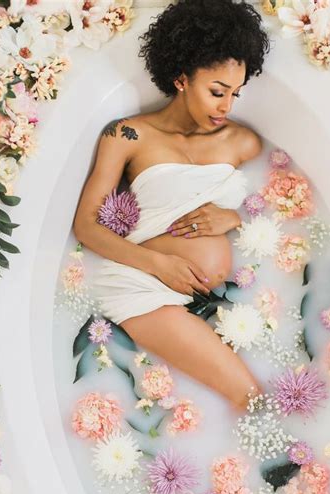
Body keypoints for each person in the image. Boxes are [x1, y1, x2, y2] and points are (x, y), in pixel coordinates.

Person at [72, 0, 272, 412]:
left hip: (213, 292)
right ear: (181, 78)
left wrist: (233, 218)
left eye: (236, 93)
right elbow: (87, 227)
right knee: (249, 397)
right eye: (217, 92)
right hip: (143, 287)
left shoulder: (242, 142)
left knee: (254, 397)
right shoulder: (128, 135)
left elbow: (271, 205)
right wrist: (159, 265)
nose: (227, 107)